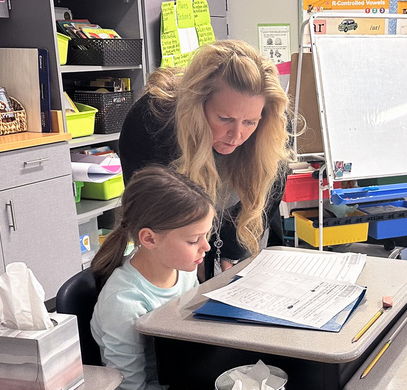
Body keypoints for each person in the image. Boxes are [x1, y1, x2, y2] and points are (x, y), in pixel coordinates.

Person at [116, 39, 292, 274]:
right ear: (198, 105)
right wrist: (192, 260)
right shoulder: (149, 125)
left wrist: (233, 251)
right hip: (174, 240)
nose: (237, 135)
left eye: (249, 122)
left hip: (238, 226)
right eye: (225, 118)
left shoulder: (272, 123)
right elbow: (149, 216)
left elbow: (267, 196)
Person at [91, 167, 214, 390]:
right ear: (149, 239)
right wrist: (191, 384)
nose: (206, 246)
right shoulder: (124, 302)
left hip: (185, 378)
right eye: (193, 240)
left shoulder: (184, 272)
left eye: (206, 235)